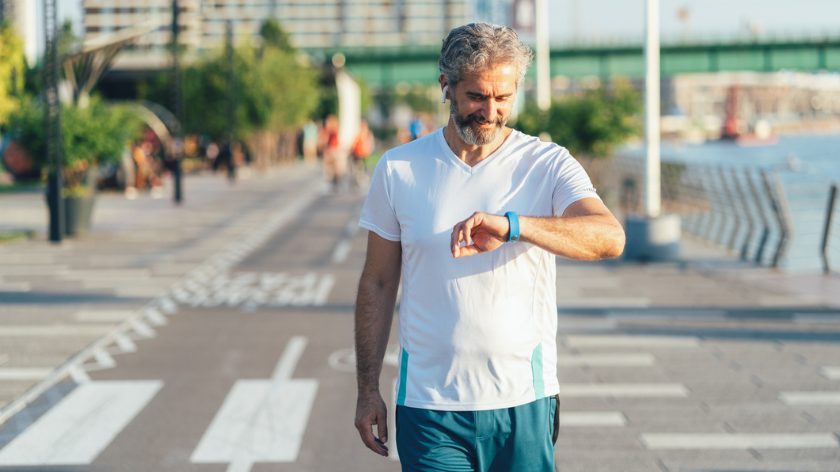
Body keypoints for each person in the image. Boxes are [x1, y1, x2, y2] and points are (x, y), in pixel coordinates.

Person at [353, 23, 625, 471]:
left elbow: (608, 237)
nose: (491, 111)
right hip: (428, 405)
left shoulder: (547, 163)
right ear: (446, 86)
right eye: (477, 96)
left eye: (503, 98)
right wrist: (367, 392)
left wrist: (514, 226)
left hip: (524, 400)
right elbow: (378, 282)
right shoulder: (398, 168)